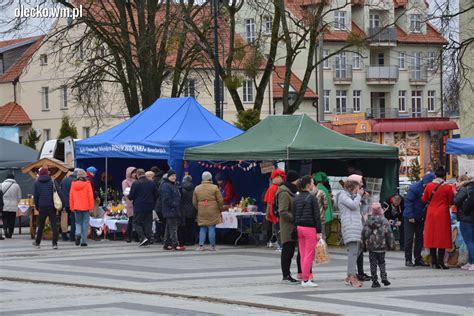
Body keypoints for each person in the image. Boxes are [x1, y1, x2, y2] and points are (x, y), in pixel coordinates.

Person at [422, 167, 454, 269]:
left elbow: (424, 199)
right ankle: (441, 262)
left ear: (435, 176)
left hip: (431, 213)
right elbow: (450, 201)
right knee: (442, 237)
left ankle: (434, 262)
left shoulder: (429, 186)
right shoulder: (448, 187)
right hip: (443, 214)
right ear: (444, 176)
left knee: (432, 236)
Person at [294, 175, 322, 287]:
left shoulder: (297, 197)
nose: (313, 185)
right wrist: (319, 231)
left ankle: (304, 277)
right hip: (310, 228)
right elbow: (317, 215)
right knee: (309, 254)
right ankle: (306, 279)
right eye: (312, 183)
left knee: (302, 253)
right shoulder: (311, 197)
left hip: (299, 228)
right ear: (308, 185)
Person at [403, 172, 435, 267]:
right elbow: (408, 202)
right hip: (410, 216)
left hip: (420, 216)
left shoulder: (429, 187)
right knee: (409, 238)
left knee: (419, 238)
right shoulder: (415, 188)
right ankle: (408, 259)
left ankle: (418, 258)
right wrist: (410, 216)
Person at [338, 174, 364, 288]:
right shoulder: (343, 195)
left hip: (356, 226)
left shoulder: (352, 196)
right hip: (350, 226)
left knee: (357, 251)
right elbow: (353, 206)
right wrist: (358, 196)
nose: (360, 189)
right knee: (353, 253)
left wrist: (361, 197)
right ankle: (352, 276)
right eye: (359, 186)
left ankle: (349, 276)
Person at [362, 202, 395, 288]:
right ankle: (384, 277)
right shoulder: (384, 221)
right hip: (382, 246)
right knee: (382, 262)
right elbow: (389, 233)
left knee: (373, 263)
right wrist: (391, 244)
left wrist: (363, 246)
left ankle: (375, 281)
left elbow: (364, 233)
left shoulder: (368, 221)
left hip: (372, 247)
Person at [277, 170, 300, 283]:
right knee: (287, 250)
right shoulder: (284, 193)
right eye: (297, 180)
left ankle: (288, 274)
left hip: (292, 225)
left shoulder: (291, 191)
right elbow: (283, 211)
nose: (298, 182)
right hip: (287, 226)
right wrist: (295, 218)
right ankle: (285, 274)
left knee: (290, 250)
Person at [193, 171, 223, 251]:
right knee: (212, 227)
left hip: (201, 210)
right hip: (213, 210)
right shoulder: (214, 187)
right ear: (210, 178)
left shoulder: (197, 188)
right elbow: (220, 200)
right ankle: (212, 246)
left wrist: (199, 208)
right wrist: (220, 208)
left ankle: (201, 246)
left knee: (202, 228)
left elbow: (194, 202)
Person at [128, 169, 159, 248]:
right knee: (148, 223)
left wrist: (127, 196)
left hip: (139, 206)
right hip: (149, 206)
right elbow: (157, 194)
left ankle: (143, 237)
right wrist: (152, 201)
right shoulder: (151, 183)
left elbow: (131, 196)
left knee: (136, 223)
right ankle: (147, 240)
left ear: (137, 175)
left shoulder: (135, 183)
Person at [32, 168, 59, 249]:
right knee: (54, 225)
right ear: (47, 174)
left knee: (41, 225)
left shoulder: (36, 183)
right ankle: (54, 243)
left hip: (42, 206)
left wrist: (37, 206)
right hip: (51, 206)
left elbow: (35, 196)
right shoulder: (52, 182)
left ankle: (37, 242)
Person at [454, 176, 474, 271]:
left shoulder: (465, 188)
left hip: (466, 218)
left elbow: (456, 201)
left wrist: (455, 194)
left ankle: (473, 262)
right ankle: (470, 262)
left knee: (469, 241)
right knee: (472, 241)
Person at [70, 169, 94, 247]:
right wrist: (91, 207)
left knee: (78, 223)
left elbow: (71, 197)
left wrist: (72, 207)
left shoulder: (73, 184)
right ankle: (83, 241)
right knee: (85, 224)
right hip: (86, 206)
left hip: (77, 206)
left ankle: (78, 234)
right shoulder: (87, 184)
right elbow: (90, 197)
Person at [161, 169, 184, 250]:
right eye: (172, 176)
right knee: (173, 228)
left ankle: (166, 244)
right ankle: (175, 244)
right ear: (168, 176)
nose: (174, 177)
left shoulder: (173, 185)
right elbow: (166, 199)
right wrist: (174, 205)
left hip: (172, 209)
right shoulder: (166, 185)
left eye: (175, 175)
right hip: (170, 210)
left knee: (168, 228)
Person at [264, 169, 286, 249]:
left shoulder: (272, 188)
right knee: (279, 229)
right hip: (279, 212)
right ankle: (281, 244)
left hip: (275, 212)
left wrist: (267, 214)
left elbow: (269, 203)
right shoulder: (281, 187)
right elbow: (269, 203)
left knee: (277, 229)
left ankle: (281, 245)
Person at [1, 174, 21, 239]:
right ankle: (10, 233)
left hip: (4, 205)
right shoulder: (17, 186)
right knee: (12, 220)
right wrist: (16, 202)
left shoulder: (1, 185)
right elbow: (19, 197)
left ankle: (5, 228)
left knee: (5, 218)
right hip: (13, 205)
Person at [313, 172, 333, 236]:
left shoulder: (317, 189)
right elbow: (326, 204)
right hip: (322, 214)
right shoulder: (324, 189)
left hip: (317, 215)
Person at [180, 175, 197, 246]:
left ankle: (184, 240)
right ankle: (191, 240)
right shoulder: (194, 189)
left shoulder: (181, 188)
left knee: (184, 227)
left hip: (183, 210)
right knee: (191, 226)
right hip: (192, 210)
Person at [122, 167, 137, 243]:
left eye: (135, 172)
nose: (135, 174)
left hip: (137, 202)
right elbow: (126, 192)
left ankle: (137, 236)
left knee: (137, 220)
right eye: (133, 172)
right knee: (131, 219)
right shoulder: (125, 182)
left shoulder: (137, 181)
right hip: (130, 202)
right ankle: (128, 236)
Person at [59, 170, 75, 241]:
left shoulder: (64, 180)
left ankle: (64, 236)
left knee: (64, 220)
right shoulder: (74, 181)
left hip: (64, 203)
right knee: (73, 220)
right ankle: (72, 236)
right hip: (72, 203)